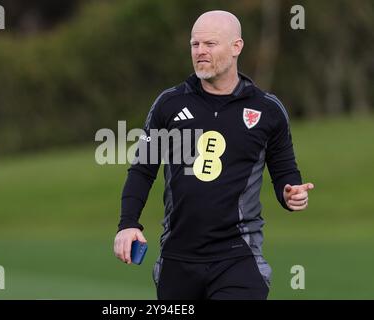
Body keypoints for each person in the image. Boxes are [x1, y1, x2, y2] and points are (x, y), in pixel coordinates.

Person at [113, 10, 314, 300]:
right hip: (178, 257)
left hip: (238, 257)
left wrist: (292, 193)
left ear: (236, 47)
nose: (200, 52)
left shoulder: (267, 110)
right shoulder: (169, 104)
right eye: (195, 45)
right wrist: (128, 223)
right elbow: (143, 170)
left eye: (210, 44)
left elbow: (285, 173)